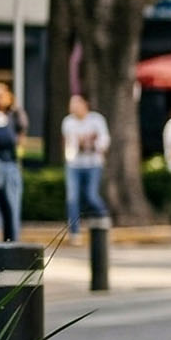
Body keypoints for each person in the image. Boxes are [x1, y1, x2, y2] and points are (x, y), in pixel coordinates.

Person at [61, 93, 108, 239]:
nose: (73, 107)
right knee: (72, 198)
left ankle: (103, 217)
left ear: (84, 104)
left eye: (76, 104)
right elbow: (68, 142)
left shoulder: (96, 120)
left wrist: (92, 143)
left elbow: (104, 141)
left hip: (93, 163)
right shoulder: (68, 122)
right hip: (74, 164)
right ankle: (74, 231)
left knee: (91, 195)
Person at [0, 85, 22, 242]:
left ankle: (12, 242)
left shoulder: (13, 116)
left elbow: (20, 134)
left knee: (11, 207)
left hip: (9, 165)